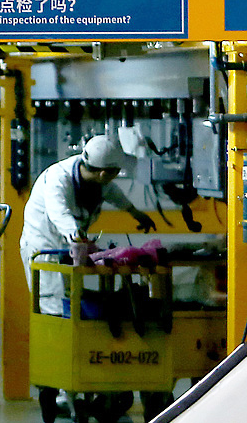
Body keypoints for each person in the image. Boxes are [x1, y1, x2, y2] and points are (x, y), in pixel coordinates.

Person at [21, 134, 156, 316]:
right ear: (104, 173)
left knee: (72, 299)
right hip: (44, 248)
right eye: (116, 171)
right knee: (54, 305)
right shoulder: (58, 178)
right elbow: (58, 213)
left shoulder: (95, 177)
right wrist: (78, 236)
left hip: (67, 248)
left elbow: (112, 193)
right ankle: (59, 342)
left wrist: (135, 213)